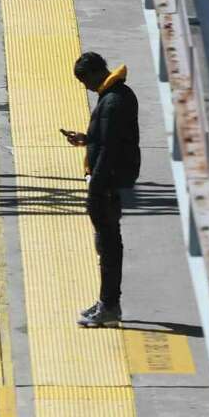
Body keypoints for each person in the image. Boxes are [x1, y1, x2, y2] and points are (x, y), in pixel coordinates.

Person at [60, 51, 140, 327]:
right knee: (108, 244)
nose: (85, 86)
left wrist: (97, 187)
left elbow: (109, 150)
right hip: (113, 180)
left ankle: (109, 307)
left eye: (85, 80)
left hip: (107, 184)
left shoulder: (112, 102)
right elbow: (108, 139)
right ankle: (107, 302)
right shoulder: (119, 95)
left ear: (96, 72)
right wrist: (86, 139)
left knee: (107, 246)